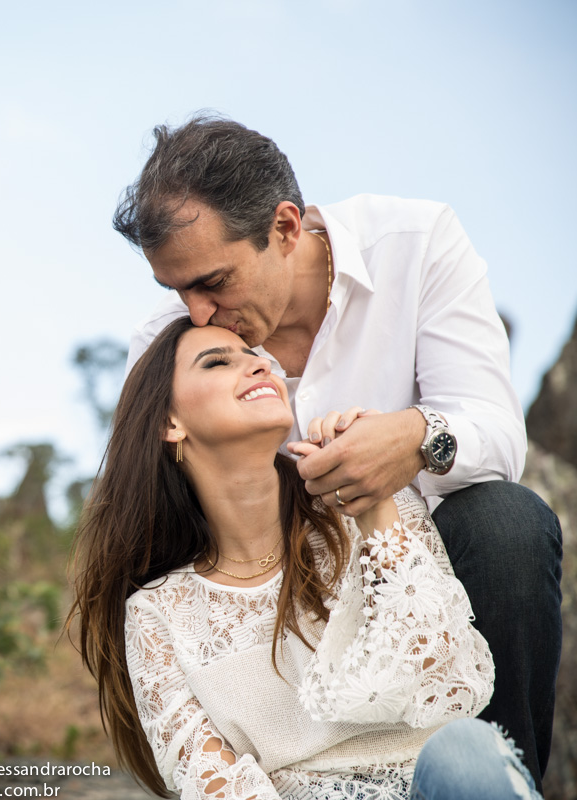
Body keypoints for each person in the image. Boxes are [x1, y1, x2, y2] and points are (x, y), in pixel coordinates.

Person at [111, 115, 561, 787]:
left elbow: (496, 436)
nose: (196, 313)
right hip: (268, 588)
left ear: (285, 228)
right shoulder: (170, 341)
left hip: (423, 564)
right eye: (176, 290)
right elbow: (161, 500)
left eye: (213, 281)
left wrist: (413, 438)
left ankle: (498, 779)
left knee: (506, 523)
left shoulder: (415, 244)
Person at [68, 315, 539, 799]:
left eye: (258, 358)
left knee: (466, 751)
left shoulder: (379, 508)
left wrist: (373, 508)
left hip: (439, 781)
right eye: (217, 362)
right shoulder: (156, 613)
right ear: (170, 423)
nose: (260, 367)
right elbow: (214, 783)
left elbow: (448, 682)